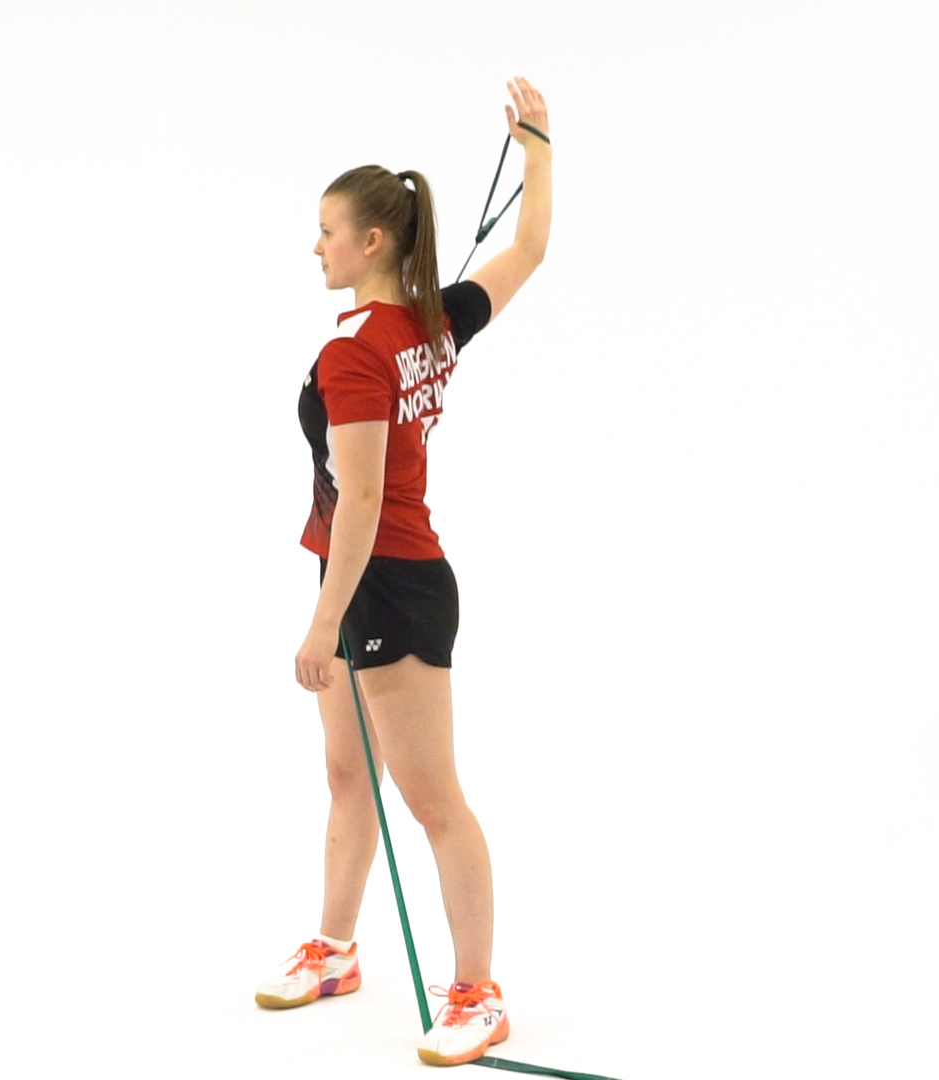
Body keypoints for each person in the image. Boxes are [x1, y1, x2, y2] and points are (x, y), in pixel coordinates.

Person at [254, 76, 553, 1068]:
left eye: (327, 231)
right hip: (353, 576)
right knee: (348, 777)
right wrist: (538, 146)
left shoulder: (357, 354)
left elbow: (366, 500)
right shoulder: (433, 320)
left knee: (433, 801)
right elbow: (528, 251)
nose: (317, 246)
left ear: (372, 241)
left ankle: (478, 994)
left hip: (390, 584)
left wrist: (321, 623)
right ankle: (336, 952)